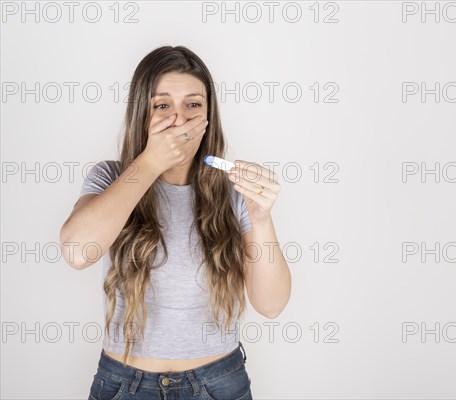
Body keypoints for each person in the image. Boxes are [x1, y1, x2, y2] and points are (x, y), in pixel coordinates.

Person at [59, 45, 292, 400]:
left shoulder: (232, 190)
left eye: (193, 105)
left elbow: (272, 305)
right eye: (162, 105)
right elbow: (77, 252)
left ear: (209, 114)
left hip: (219, 384)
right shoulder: (111, 177)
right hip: (125, 384)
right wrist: (151, 161)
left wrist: (261, 217)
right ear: (141, 112)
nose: (179, 119)